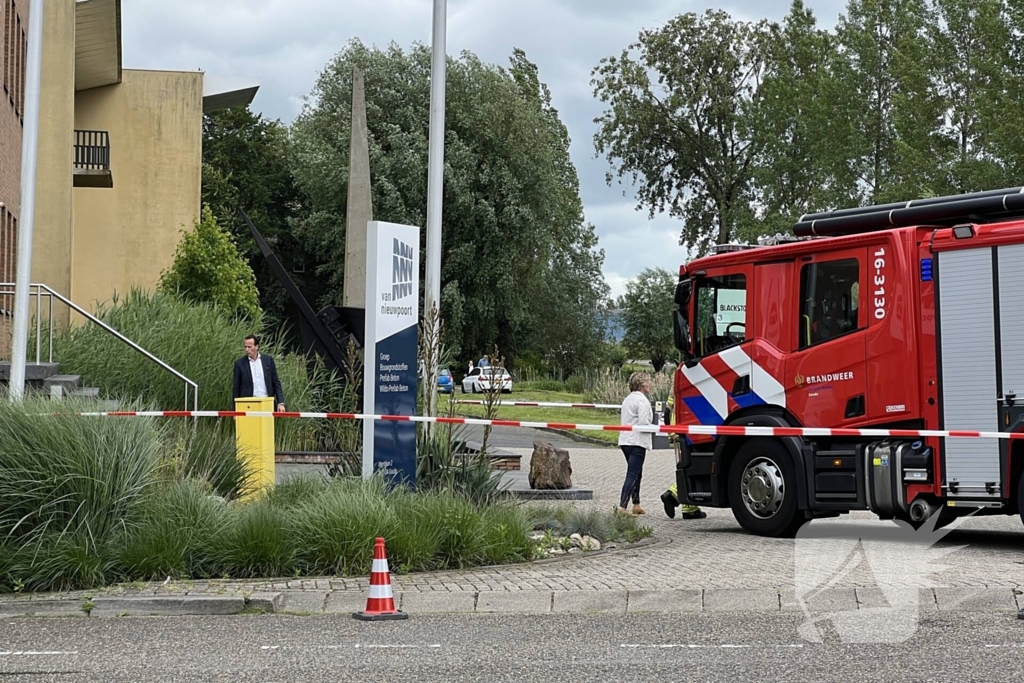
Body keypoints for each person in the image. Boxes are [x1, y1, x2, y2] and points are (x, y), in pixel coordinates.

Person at [660, 394, 707, 519]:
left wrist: (670, 430)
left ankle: (689, 508)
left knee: (685, 465)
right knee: (692, 467)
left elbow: (667, 411)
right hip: (688, 429)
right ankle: (672, 494)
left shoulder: (675, 387)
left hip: (677, 429)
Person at [617, 371, 653, 515]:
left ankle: (636, 503)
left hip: (625, 440)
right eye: (648, 382)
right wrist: (658, 428)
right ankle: (622, 506)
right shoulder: (642, 401)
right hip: (637, 441)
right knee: (633, 473)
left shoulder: (627, 399)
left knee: (637, 472)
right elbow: (643, 423)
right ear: (643, 385)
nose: (649, 385)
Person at [232, 335, 285, 412]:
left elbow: (276, 382)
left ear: (256, 347)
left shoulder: (268, 360)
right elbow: (236, 388)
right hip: (248, 405)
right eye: (245, 347)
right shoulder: (239, 364)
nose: (247, 349)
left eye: (249, 347)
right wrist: (235, 410)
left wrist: (280, 403)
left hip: (267, 402)